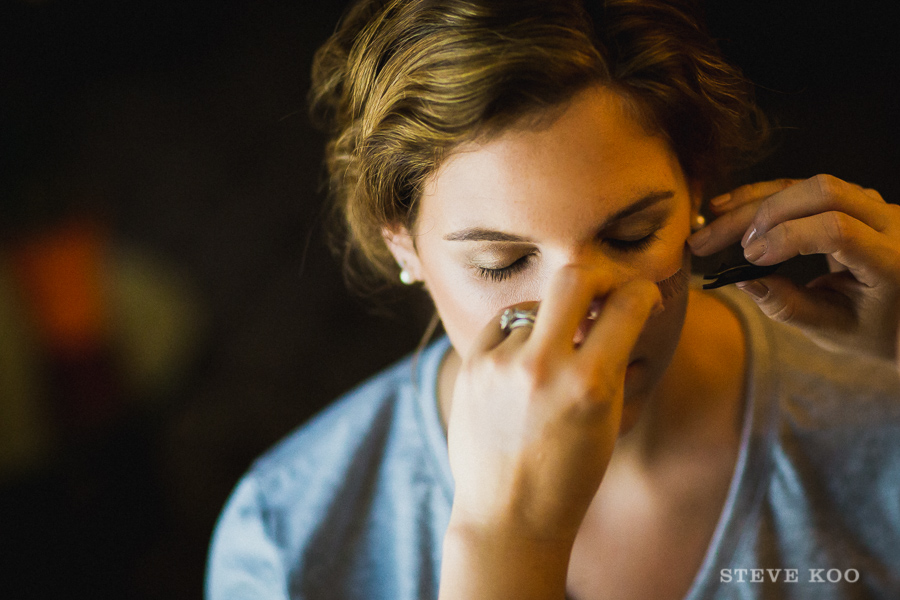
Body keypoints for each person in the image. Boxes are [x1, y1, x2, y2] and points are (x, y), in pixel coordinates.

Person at [205, 1, 900, 598]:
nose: (584, 312)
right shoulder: (287, 537)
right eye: (502, 262)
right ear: (404, 249)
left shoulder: (880, 414)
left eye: (631, 236)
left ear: (696, 192)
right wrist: (504, 546)